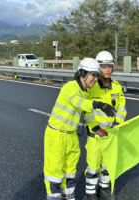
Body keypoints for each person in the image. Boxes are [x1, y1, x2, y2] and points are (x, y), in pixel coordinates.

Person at [44, 58, 116, 200]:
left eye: (96, 76)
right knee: (54, 173)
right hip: (56, 135)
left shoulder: (85, 92)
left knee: (70, 172)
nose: (95, 79)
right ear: (83, 74)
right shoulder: (70, 87)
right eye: (93, 76)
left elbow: (87, 113)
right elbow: (79, 103)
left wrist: (96, 127)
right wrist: (98, 104)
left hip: (71, 136)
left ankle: (69, 197)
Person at [83, 51, 127, 200]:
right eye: (103, 67)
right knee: (93, 166)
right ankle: (90, 193)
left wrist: (118, 123)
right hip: (95, 135)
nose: (107, 69)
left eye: (110, 66)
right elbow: (86, 110)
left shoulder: (116, 86)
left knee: (107, 165)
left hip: (111, 134)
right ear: (97, 68)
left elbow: (121, 108)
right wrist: (96, 127)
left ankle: (104, 190)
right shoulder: (91, 87)